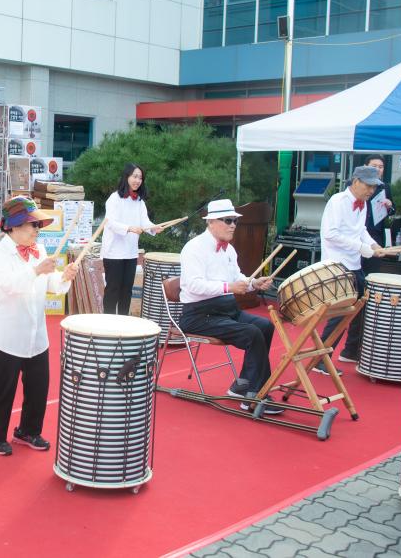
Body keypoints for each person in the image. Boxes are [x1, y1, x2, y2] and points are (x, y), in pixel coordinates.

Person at [0, 196, 76, 455]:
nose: (36, 230)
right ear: (12, 227)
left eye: (37, 226)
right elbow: (11, 285)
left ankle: (28, 430)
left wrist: (64, 277)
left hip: (36, 334)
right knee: (2, 389)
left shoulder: (40, 251)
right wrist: (36, 270)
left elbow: (52, 285)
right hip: (6, 334)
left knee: (38, 387)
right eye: (30, 225)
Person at [178, 199, 281, 414]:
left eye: (234, 220)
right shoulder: (194, 248)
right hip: (198, 315)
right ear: (212, 222)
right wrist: (229, 287)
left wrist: (253, 283)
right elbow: (193, 285)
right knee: (252, 333)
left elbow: (238, 278)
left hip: (225, 310)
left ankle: (243, 384)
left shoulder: (229, 250)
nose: (233, 225)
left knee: (266, 326)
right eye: (228, 220)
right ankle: (254, 394)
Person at [314, 166, 386, 374]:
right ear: (355, 182)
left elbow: (360, 230)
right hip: (337, 264)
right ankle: (321, 358)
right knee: (339, 314)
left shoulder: (363, 204)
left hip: (353, 263)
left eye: (374, 186)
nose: (371, 190)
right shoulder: (337, 201)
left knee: (356, 310)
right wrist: (361, 247)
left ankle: (348, 350)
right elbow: (330, 234)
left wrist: (373, 245)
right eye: (368, 185)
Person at [100, 163, 162, 315]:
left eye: (140, 178)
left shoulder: (139, 201)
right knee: (113, 289)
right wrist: (129, 228)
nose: (137, 180)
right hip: (113, 252)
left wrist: (153, 228)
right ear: (126, 177)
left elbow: (144, 222)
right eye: (134, 176)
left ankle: (123, 323)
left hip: (130, 252)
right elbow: (111, 223)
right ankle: (106, 323)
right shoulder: (114, 198)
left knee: (127, 290)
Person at [362, 155, 394, 274]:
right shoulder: (356, 184)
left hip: (376, 233)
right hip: (358, 232)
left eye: (381, 167)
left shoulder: (384, 187)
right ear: (365, 167)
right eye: (374, 166)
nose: (378, 169)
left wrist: (389, 205)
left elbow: (392, 210)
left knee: (372, 270)